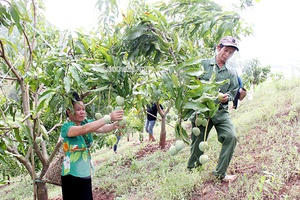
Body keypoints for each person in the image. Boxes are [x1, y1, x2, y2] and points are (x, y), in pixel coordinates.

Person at [187, 36, 239, 182]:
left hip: (220, 111)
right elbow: (192, 86)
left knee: (231, 136)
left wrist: (226, 97)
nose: (227, 54)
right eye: (225, 50)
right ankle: (192, 171)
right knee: (197, 142)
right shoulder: (202, 65)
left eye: (230, 53)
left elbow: (233, 91)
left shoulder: (231, 72)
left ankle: (220, 173)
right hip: (202, 111)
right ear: (218, 48)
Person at [60, 92, 124, 199]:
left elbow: (102, 128)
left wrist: (114, 125)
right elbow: (85, 129)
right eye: (78, 109)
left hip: (85, 172)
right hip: (71, 175)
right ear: (69, 112)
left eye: (83, 109)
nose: (82, 112)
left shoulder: (86, 122)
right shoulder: (66, 127)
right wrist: (108, 117)